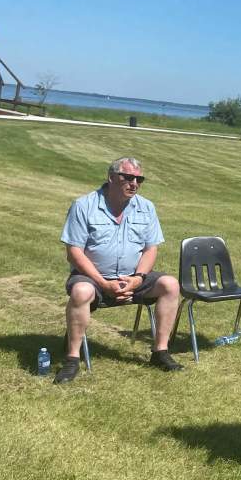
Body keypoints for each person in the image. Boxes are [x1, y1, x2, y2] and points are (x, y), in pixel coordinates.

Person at [54, 157, 183, 383]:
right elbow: (74, 252)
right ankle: (72, 359)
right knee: (82, 291)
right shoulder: (84, 205)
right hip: (93, 277)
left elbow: (150, 249)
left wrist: (137, 278)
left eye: (139, 179)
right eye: (128, 178)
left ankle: (160, 352)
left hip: (132, 276)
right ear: (111, 177)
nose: (134, 183)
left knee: (170, 285)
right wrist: (104, 284)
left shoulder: (146, 207)